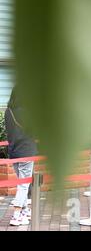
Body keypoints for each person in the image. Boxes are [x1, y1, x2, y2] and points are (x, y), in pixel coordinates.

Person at [5, 86, 38, 226]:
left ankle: (24, 211)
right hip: (27, 150)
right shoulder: (26, 112)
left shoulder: (8, 112)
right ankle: (16, 214)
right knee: (24, 185)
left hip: (14, 152)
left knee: (22, 182)